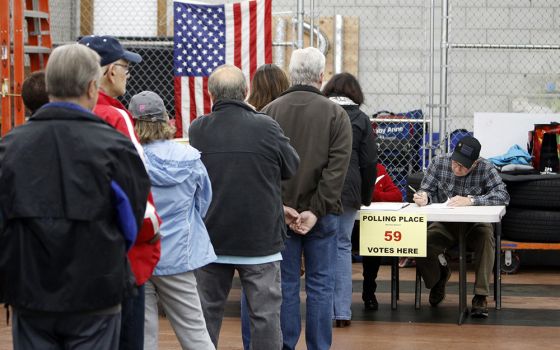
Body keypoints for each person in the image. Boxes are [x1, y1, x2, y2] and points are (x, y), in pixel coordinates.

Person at [0, 43, 151, 350]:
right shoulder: (115, 146)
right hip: (95, 291)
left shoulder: (10, 147)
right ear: (93, 87)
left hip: (31, 292)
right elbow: (132, 225)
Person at [189, 64, 300, 349]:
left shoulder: (198, 129)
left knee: (206, 314)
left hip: (213, 237)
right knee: (265, 316)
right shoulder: (265, 126)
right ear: (245, 91)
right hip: (259, 238)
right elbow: (292, 165)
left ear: (212, 94)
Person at [262, 47, 352, 350]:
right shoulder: (337, 115)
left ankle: (285, 345)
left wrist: (281, 206)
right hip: (324, 215)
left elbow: (264, 168)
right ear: (321, 76)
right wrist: (315, 210)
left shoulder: (270, 112)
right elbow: (336, 171)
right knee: (321, 286)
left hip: (281, 214)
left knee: (285, 286)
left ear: (291, 73)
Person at [79, 34, 162, 350]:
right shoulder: (115, 116)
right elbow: (138, 191)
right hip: (121, 259)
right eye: (126, 67)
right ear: (110, 71)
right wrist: (151, 235)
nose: (128, 74)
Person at [129, 91, 216, 350]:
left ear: (134, 122)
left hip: (139, 253)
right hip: (179, 253)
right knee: (195, 332)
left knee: (142, 335)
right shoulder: (190, 157)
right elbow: (204, 202)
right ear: (166, 119)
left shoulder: (129, 158)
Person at [413, 135, 510, 318]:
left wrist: (472, 200)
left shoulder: (486, 168)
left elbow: (503, 195)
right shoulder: (439, 162)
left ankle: (480, 295)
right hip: (446, 223)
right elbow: (426, 189)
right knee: (421, 243)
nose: (457, 168)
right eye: (455, 163)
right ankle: (438, 279)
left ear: (474, 164)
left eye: (463, 166)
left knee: (486, 240)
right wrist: (423, 196)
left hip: (475, 224)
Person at [321, 72, 378, 328]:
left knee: (320, 246)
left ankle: (320, 309)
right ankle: (342, 312)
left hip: (319, 187)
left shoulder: (319, 112)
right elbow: (369, 163)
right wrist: (364, 197)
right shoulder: (362, 120)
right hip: (349, 189)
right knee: (342, 246)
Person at [241, 62, 290, 350]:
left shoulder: (252, 118)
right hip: (286, 207)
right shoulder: (276, 121)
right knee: (275, 290)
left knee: (256, 290)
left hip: (258, 208)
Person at [360, 163, 403, 311]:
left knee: (374, 241)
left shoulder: (378, 169)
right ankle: (342, 295)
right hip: (348, 224)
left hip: (370, 225)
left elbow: (397, 196)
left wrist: (373, 195)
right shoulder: (344, 165)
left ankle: (369, 291)